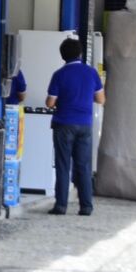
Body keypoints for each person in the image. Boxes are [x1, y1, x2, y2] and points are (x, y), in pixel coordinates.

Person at [45, 38, 105, 216]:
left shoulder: (59, 74)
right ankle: (86, 207)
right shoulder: (91, 73)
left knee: (63, 165)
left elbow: (50, 103)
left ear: (63, 56)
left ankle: (61, 206)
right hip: (85, 125)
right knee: (84, 166)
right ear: (80, 54)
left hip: (63, 124)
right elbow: (101, 99)